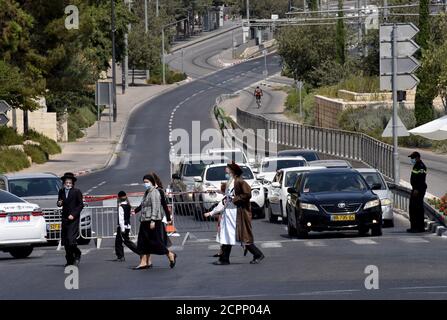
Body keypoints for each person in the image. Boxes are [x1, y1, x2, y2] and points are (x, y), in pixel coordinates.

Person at [205, 162, 264, 265]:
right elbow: (226, 198)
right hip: (229, 213)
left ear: (232, 171)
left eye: (227, 168)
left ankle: (258, 254)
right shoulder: (230, 182)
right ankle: (224, 259)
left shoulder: (240, 182)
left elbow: (247, 194)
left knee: (242, 236)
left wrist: (235, 199)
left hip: (237, 213)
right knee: (227, 235)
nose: (226, 170)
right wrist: (213, 211)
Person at [134, 174, 177, 270]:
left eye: (147, 182)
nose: (145, 184)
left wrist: (153, 220)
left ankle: (170, 254)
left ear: (152, 182)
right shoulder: (147, 192)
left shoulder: (155, 192)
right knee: (143, 242)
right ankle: (144, 262)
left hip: (152, 221)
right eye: (144, 182)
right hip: (145, 220)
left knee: (156, 242)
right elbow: (143, 205)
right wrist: (135, 211)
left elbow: (156, 206)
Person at [57, 172, 84, 267]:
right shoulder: (61, 191)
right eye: (66, 182)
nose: (68, 184)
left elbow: (81, 205)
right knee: (65, 241)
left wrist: (73, 214)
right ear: (64, 183)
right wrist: (59, 203)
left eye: (70, 183)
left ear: (72, 183)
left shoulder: (77, 192)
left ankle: (77, 253)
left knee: (71, 239)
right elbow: (59, 202)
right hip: (64, 218)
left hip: (73, 219)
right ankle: (69, 260)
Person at [114, 191, 140, 262]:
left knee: (125, 242)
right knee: (119, 242)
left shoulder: (120, 207)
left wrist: (122, 229)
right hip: (127, 226)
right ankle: (120, 256)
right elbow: (129, 215)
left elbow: (121, 219)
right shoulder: (128, 205)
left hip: (123, 227)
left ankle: (140, 252)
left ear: (118, 197)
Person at [407, 151, 427, 233]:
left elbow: (421, 179)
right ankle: (414, 227)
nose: (412, 159)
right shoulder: (416, 166)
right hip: (416, 189)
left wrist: (416, 189)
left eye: (413, 158)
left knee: (417, 208)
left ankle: (419, 227)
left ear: (417, 157)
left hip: (418, 190)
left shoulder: (421, 166)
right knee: (413, 208)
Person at [151, 172, 172, 248]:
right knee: (160, 236)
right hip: (151, 216)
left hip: (158, 216)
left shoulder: (159, 191)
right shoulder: (150, 191)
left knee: (160, 237)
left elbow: (164, 205)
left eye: (148, 182)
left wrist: (168, 218)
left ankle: (168, 252)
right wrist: (135, 211)